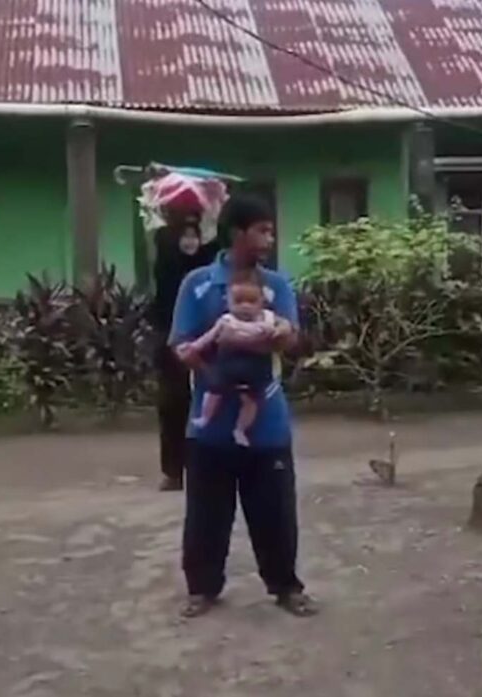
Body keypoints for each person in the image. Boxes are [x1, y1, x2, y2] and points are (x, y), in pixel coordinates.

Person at [169, 193, 317, 618]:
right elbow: (181, 344)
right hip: (210, 424)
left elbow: (291, 340)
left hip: (267, 422)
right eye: (262, 231)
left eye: (271, 231)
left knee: (275, 511)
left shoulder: (277, 285)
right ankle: (202, 589)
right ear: (238, 233)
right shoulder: (197, 284)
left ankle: (286, 587)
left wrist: (280, 335)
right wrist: (208, 369)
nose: (270, 239)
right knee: (205, 514)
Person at [182, 269, 291, 447]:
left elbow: (285, 327)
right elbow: (208, 337)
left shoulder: (268, 317)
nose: (245, 306)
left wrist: (280, 330)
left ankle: (240, 429)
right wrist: (193, 346)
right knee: (214, 392)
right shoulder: (226, 320)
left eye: (252, 301)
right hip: (228, 367)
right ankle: (205, 417)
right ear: (228, 301)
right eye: (239, 301)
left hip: (255, 370)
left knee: (251, 402)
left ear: (262, 301)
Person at [152, 210, 217, 491]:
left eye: (195, 235)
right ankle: (174, 470)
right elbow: (161, 239)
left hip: (206, 336)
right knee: (172, 403)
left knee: (210, 402)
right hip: (171, 338)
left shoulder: (207, 262)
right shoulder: (167, 259)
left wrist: (212, 212)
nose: (190, 241)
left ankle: (207, 467)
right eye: (185, 235)